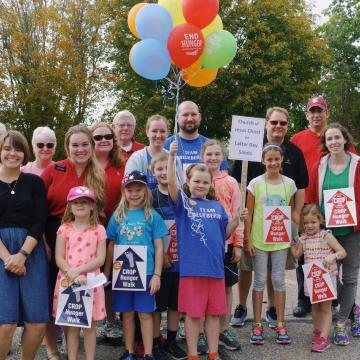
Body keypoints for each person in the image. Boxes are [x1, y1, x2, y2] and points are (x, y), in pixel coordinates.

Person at [231, 107, 308, 329]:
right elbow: (238, 182)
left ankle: (272, 308)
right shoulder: (249, 146)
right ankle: (242, 306)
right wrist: (241, 216)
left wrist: (296, 220)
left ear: (287, 126)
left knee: (277, 268)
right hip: (252, 218)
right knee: (247, 266)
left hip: (282, 221)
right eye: (274, 122)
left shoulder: (294, 152)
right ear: (266, 123)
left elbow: (300, 188)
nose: (278, 126)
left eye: (283, 123)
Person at [167, 141, 240, 360]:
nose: (200, 185)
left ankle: (213, 352)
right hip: (192, 270)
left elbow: (224, 234)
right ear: (188, 182)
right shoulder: (184, 204)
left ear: (211, 185)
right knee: (193, 314)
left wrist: (236, 222)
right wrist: (171, 157)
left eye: (205, 182)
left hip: (215, 269)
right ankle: (192, 354)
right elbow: (171, 184)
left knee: (214, 314)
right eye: (196, 181)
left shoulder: (217, 207)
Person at [41, 125, 105, 359]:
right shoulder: (54, 169)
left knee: (83, 300)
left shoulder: (98, 172)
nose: (80, 149)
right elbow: (38, 208)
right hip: (55, 234)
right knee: (51, 292)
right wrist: (44, 241)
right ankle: (52, 348)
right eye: (74, 145)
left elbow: (102, 211)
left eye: (84, 144)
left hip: (87, 237)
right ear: (67, 147)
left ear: (91, 145)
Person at [290, 96, 357, 318]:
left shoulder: (348, 150)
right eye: (312, 111)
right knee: (309, 259)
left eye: (320, 110)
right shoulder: (298, 139)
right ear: (307, 114)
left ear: (327, 113)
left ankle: (345, 307)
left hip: (346, 218)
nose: (316, 115)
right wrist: (303, 214)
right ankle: (306, 299)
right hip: (315, 211)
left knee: (343, 268)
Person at [106, 170, 168, 360]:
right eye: (130, 190)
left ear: (146, 191)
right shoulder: (118, 215)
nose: (134, 194)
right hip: (123, 274)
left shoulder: (152, 216)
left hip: (147, 273)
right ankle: (130, 351)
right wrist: (107, 274)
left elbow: (159, 247)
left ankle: (148, 353)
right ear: (124, 192)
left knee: (145, 314)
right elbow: (111, 245)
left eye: (138, 189)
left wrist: (157, 274)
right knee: (126, 314)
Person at [308, 123, 360, 346]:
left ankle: (341, 324)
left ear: (345, 139)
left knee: (349, 278)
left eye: (337, 138)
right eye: (329, 139)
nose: (334, 142)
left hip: (352, 232)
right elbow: (311, 197)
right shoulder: (318, 166)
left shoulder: (358, 165)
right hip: (327, 234)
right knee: (328, 278)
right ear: (325, 143)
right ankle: (353, 310)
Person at [0, 131, 49, 359]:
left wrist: (21, 254)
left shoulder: (34, 182)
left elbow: (40, 221)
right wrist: (8, 258)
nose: (13, 153)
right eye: (7, 148)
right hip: (1, 252)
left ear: (25, 153)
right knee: (5, 324)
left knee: (37, 322)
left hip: (31, 251)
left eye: (18, 149)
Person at [246, 144, 298, 345]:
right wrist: (248, 240)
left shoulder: (289, 184)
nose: (274, 163)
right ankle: (257, 324)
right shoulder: (255, 184)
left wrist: (300, 231)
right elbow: (249, 213)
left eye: (277, 159)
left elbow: (291, 211)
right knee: (259, 281)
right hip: (259, 240)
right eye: (270, 159)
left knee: (279, 280)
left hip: (279, 240)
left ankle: (280, 323)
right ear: (263, 161)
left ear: (282, 159)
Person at [53, 186, 107, 360]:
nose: (80, 205)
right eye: (76, 202)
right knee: (72, 325)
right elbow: (59, 258)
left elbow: (100, 259)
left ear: (92, 206)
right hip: (68, 281)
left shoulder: (99, 230)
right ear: (69, 206)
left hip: (90, 282)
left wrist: (80, 271)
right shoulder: (64, 229)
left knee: (90, 326)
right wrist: (73, 274)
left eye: (85, 201)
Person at [201, 139, 243, 352]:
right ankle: (201, 332)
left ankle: (224, 329)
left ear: (223, 157)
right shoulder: (197, 179)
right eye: (209, 154)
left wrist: (238, 243)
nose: (213, 158)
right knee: (202, 288)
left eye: (217, 154)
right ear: (203, 155)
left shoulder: (232, 182)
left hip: (226, 243)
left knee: (226, 287)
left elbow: (236, 214)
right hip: (203, 244)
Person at [291, 205, 346, 352]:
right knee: (315, 307)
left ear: (320, 221)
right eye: (306, 223)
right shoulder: (304, 239)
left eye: (313, 222)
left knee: (326, 308)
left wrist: (333, 256)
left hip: (327, 278)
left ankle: (324, 338)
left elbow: (342, 252)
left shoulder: (326, 235)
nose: (309, 226)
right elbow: (297, 255)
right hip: (313, 279)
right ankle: (317, 331)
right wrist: (290, 244)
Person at [150, 152, 187, 360]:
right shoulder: (149, 196)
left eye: (168, 168)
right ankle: (155, 342)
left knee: (175, 304)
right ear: (152, 172)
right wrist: (161, 253)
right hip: (159, 262)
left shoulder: (182, 195)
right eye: (160, 169)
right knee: (157, 306)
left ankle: (172, 341)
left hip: (180, 261)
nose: (164, 172)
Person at [91, 121, 125, 340]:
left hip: (117, 229)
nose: (103, 140)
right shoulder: (85, 164)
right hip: (90, 230)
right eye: (97, 137)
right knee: (88, 274)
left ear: (113, 140)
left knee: (111, 276)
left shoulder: (122, 165)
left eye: (107, 136)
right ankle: (83, 323)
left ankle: (112, 321)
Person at [164, 101, 227, 171]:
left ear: (199, 117)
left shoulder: (213, 147)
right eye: (185, 115)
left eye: (193, 114)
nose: (190, 119)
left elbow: (223, 176)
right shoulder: (165, 145)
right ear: (177, 118)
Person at [126, 115, 169, 190]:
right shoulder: (136, 158)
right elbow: (130, 189)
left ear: (167, 133)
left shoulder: (174, 158)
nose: (158, 135)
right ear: (147, 132)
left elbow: (180, 189)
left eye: (162, 131)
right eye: (154, 131)